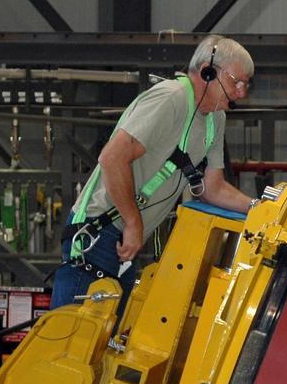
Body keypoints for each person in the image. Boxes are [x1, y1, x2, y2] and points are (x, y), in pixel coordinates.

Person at [49, 35, 255, 307]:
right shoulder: (171, 98)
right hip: (99, 236)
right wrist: (134, 224)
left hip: (125, 242)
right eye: (235, 82)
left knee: (105, 341)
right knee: (72, 341)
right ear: (208, 71)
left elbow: (213, 188)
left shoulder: (215, 119)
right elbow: (112, 158)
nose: (242, 93)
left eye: (245, 85)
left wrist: (259, 207)